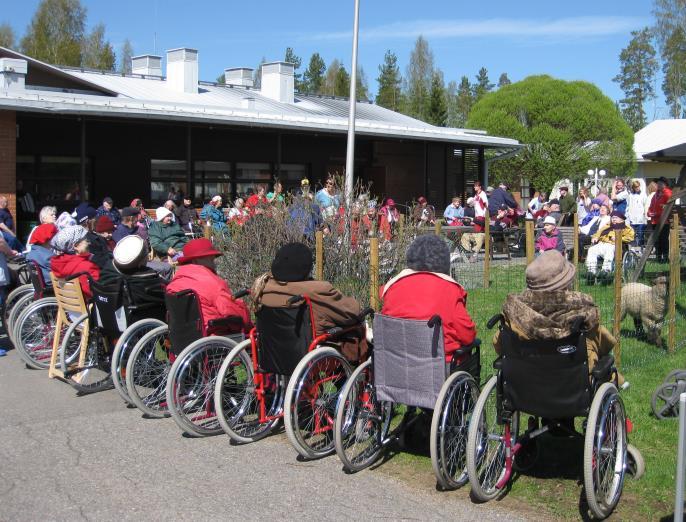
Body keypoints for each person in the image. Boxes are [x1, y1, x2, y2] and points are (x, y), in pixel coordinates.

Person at [493, 250, 625, 386]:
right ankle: (617, 380)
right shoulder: (582, 314)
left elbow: (499, 345)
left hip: (527, 384)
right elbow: (604, 345)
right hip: (571, 384)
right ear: (566, 283)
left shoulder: (514, 313)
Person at [251, 242, 367, 362]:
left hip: (273, 356)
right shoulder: (317, 290)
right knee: (356, 331)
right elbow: (351, 312)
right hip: (312, 358)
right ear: (307, 268)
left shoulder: (262, 288)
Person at [381, 234, 476, 364]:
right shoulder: (451, 289)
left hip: (397, 367)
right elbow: (467, 336)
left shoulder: (392, 287)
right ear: (444, 261)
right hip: (440, 369)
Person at [166, 238, 251, 333]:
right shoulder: (212, 282)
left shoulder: (173, 284)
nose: (214, 260)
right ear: (196, 260)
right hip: (213, 334)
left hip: (184, 336)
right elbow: (232, 311)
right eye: (209, 257)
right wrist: (246, 314)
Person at [98, 235, 165, 312]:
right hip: (141, 317)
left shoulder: (107, 271)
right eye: (147, 254)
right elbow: (164, 298)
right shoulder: (147, 279)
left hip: (108, 314)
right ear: (140, 262)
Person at [50, 225, 100, 300]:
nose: (89, 243)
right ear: (76, 246)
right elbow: (97, 292)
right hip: (89, 308)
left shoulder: (59, 264)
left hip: (70, 308)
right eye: (86, 240)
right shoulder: (87, 267)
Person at [585, 210, 634, 280]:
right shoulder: (607, 225)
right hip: (602, 243)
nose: (613, 219)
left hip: (615, 246)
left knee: (609, 249)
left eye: (616, 218)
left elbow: (630, 238)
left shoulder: (627, 228)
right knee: (591, 249)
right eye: (612, 218)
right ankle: (591, 272)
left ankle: (606, 270)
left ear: (621, 219)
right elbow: (598, 233)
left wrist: (619, 238)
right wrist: (595, 237)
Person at [647, 178, 673, 263]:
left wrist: (656, 213)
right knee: (656, 240)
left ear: (665, 184)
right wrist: (649, 212)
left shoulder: (668, 193)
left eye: (660, 183)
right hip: (654, 221)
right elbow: (651, 206)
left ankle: (665, 258)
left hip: (664, 221)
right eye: (657, 184)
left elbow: (667, 207)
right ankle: (658, 258)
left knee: (664, 240)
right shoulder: (655, 194)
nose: (658, 185)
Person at [626, 180, 647, 248]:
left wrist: (645, 215)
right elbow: (629, 206)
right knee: (632, 234)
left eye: (638, 186)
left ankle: (641, 247)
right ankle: (633, 248)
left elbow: (645, 205)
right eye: (636, 187)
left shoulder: (643, 195)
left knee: (641, 234)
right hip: (632, 218)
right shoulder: (630, 195)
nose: (637, 188)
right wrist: (629, 216)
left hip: (641, 218)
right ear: (633, 187)